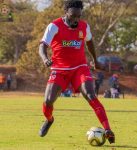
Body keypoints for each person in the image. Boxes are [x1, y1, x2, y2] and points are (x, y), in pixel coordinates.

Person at [38, 0, 115, 144]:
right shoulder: (54, 26)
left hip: (79, 68)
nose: (76, 20)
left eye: (79, 16)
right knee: (48, 101)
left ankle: (108, 129)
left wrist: (96, 61)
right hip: (59, 69)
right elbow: (42, 46)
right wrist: (45, 59)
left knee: (91, 95)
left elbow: (90, 42)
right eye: (73, 16)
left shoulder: (84, 26)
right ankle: (49, 120)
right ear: (66, 13)